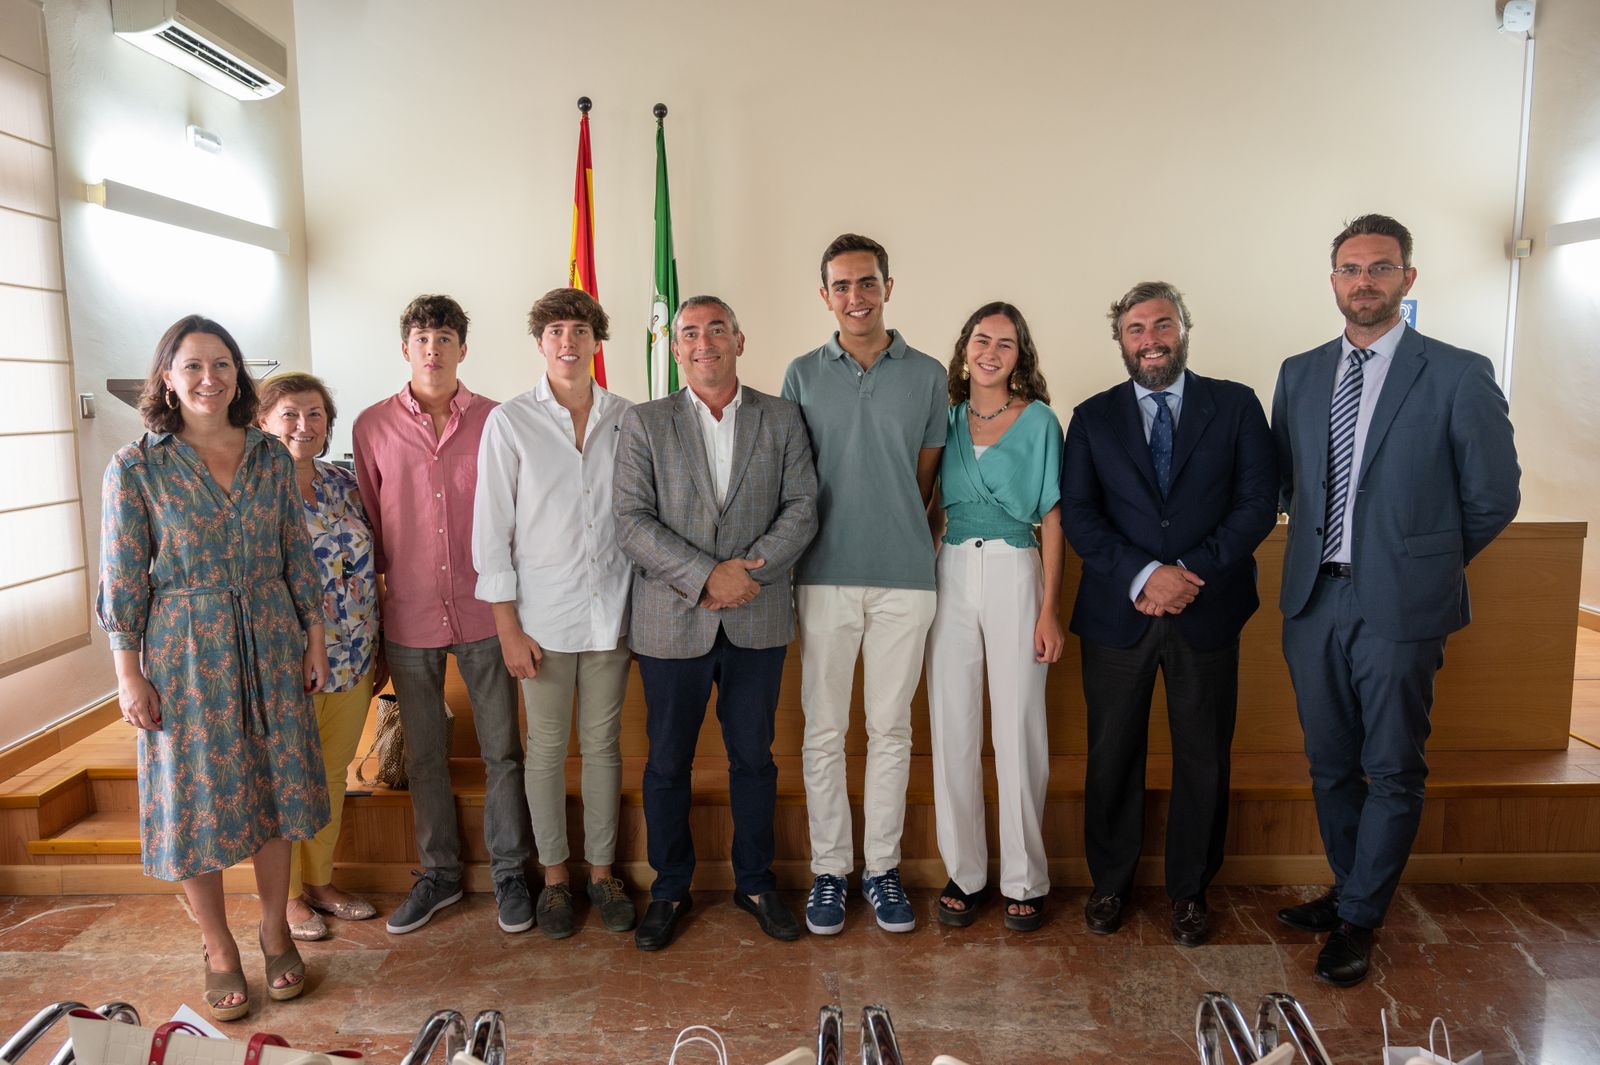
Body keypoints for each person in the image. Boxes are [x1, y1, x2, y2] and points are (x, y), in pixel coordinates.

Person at [1272, 215, 1520, 985]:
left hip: (1402, 609)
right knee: (1330, 763)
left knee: (1392, 766)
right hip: (1314, 602)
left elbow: (1494, 495)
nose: (1364, 281)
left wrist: (1421, 562)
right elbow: (1289, 483)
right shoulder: (1300, 372)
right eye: (1351, 268)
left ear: (1408, 279)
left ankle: (1360, 918)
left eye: (1381, 268)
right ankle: (1352, 890)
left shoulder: (1456, 372)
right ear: (1334, 280)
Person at [98, 316, 329, 1020]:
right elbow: (123, 576)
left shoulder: (267, 453)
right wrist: (127, 672)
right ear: (167, 376)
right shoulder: (136, 465)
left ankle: (272, 927)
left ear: (238, 374)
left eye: (222, 364)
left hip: (269, 633)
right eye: (192, 365)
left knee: (274, 788)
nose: (209, 378)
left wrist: (313, 634)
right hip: (182, 647)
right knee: (191, 800)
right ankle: (218, 946)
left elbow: (296, 550)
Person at [1061, 281, 1277, 947]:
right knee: (1112, 755)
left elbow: (1256, 504)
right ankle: (1110, 882)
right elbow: (1083, 517)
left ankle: (1190, 890)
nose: (1149, 338)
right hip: (1118, 614)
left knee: (1203, 758)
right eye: (1135, 329)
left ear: (1183, 329)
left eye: (1161, 325)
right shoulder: (1092, 416)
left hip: (1206, 609)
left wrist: (1188, 574)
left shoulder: (1236, 405)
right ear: (1121, 341)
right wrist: (1145, 575)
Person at [614, 295, 818, 951]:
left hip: (757, 620)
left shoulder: (782, 416)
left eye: (717, 330)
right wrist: (707, 575)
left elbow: (803, 506)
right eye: (690, 333)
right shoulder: (644, 422)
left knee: (753, 760)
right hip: (673, 622)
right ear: (676, 348)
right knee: (667, 763)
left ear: (739, 338)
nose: (704, 342)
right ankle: (670, 886)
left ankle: (756, 881)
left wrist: (746, 573)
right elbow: (631, 521)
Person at [352, 295, 535, 936]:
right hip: (409, 614)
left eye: (445, 337)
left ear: (463, 347)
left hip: (488, 612)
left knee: (503, 752)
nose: (433, 348)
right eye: (421, 337)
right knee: (424, 755)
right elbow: (372, 527)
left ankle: (513, 872)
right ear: (405, 348)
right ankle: (440, 875)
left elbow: (517, 514)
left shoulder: (499, 420)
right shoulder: (371, 426)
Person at [781, 233, 946, 935]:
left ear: (888, 287)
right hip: (822, 575)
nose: (856, 296)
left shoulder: (930, 373)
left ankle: (881, 869)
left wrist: (893, 526)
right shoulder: (801, 373)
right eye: (842, 286)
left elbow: (926, 478)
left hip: (906, 579)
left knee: (890, 729)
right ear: (825, 296)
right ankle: (829, 869)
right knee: (823, 730)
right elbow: (794, 479)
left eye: (867, 282)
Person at [472, 288, 637, 940]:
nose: (567, 341)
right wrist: (506, 625)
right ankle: (558, 879)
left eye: (579, 330)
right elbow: (492, 533)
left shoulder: (628, 418)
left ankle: (602, 873)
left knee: (602, 746)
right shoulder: (511, 422)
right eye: (555, 331)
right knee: (544, 751)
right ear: (540, 342)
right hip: (539, 620)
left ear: (597, 339)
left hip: (612, 613)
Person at [925, 302, 1064, 932]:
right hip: (950, 568)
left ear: (1020, 356)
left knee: (1018, 728)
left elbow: (1054, 517)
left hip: (1014, 566)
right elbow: (927, 507)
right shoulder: (945, 419)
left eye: (1005, 343)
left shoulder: (1039, 422)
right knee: (952, 726)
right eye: (982, 339)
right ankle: (965, 872)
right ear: (964, 348)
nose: (991, 351)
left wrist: (1049, 609)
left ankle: (1026, 879)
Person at [256, 372, 383, 942]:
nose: (302, 426)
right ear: (262, 421)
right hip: (284, 662)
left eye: (314, 414)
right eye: (289, 414)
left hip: (353, 652)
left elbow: (369, 565)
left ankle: (321, 882)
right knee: (286, 778)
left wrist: (375, 643)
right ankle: (282, 901)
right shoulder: (250, 489)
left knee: (332, 775)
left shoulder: (344, 483)